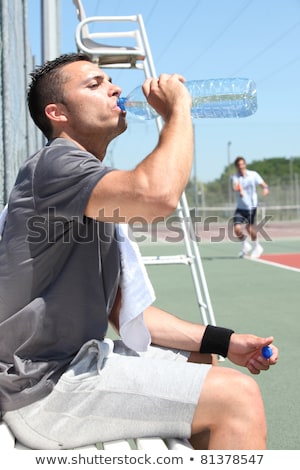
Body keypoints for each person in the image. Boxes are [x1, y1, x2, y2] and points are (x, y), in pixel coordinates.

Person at [0, 53, 278, 450]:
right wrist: (178, 110)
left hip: (73, 367)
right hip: (42, 388)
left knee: (201, 359)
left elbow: (128, 311)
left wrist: (224, 341)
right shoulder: (55, 162)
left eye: (109, 80)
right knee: (237, 397)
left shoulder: (90, 191)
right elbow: (157, 194)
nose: (114, 88)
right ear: (57, 113)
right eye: (94, 84)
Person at [232, 156, 269, 258]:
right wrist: (240, 190)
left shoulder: (253, 175)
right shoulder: (235, 177)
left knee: (249, 228)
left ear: (245, 164)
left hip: (251, 206)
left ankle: (257, 246)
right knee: (237, 229)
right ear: (236, 166)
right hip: (240, 207)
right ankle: (245, 245)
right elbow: (236, 186)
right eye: (239, 165)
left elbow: (263, 184)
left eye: (242, 164)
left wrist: (265, 189)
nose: (241, 166)